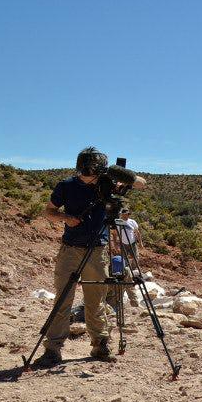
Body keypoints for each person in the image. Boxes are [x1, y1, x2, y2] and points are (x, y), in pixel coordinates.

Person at [33, 147, 146, 367]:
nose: (86, 177)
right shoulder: (66, 186)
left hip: (97, 250)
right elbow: (49, 211)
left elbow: (141, 183)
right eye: (83, 172)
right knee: (63, 299)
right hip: (70, 249)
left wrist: (118, 174)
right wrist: (65, 217)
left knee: (96, 300)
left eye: (91, 173)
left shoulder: (108, 183)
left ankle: (100, 344)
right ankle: (52, 349)